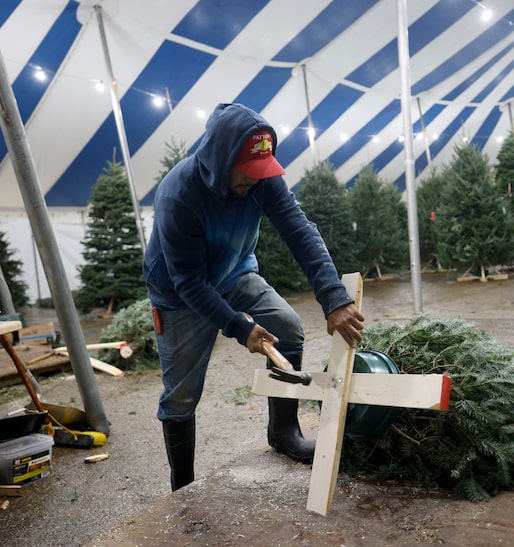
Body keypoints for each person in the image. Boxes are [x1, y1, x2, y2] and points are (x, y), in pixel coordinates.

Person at [143, 103, 365, 492]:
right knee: (180, 396)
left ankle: (284, 431)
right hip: (180, 294)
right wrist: (238, 325)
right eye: (246, 176)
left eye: (260, 174)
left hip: (234, 271)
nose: (254, 183)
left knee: (288, 328)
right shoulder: (178, 195)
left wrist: (334, 296)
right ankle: (182, 486)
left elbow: (299, 228)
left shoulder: (263, 179)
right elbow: (189, 282)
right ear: (219, 162)